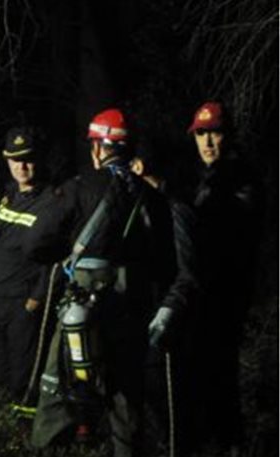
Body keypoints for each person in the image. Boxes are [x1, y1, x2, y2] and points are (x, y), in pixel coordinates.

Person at [27, 108, 195, 457]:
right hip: (132, 314)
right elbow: (167, 264)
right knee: (126, 403)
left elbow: (36, 244)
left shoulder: (80, 187)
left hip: (81, 307)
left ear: (98, 150)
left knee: (56, 391)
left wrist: (65, 252)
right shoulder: (155, 200)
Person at [185, 101, 260, 455]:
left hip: (225, 295)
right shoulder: (198, 176)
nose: (207, 142)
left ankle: (229, 445)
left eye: (214, 132)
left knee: (220, 374)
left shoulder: (240, 177)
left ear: (227, 135)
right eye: (201, 133)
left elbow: (230, 232)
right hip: (200, 294)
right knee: (201, 376)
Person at [0, 127, 54, 404]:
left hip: (24, 304)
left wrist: (36, 298)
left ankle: (28, 439)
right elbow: (2, 238)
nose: (21, 166)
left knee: (23, 378)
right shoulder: (8, 194)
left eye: (28, 159)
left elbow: (55, 256)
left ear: (40, 159)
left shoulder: (50, 203)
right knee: (2, 372)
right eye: (15, 159)